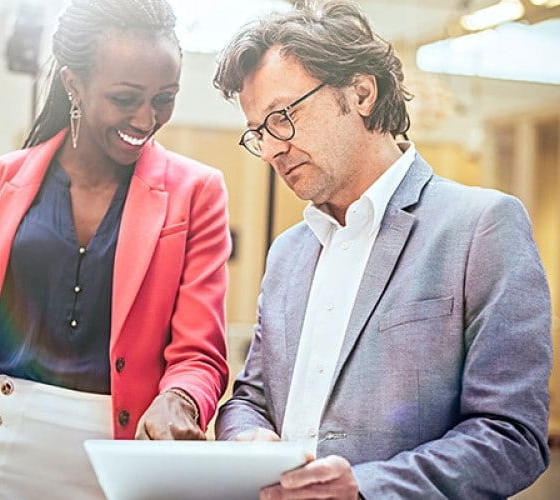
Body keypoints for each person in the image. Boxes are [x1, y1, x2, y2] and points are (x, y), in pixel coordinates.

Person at [212, 1, 552, 498]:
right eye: (257, 132)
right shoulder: (288, 253)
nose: (271, 149)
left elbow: (513, 435)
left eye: (282, 117)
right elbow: (251, 397)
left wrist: (367, 489)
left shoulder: (481, 226)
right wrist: (245, 434)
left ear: (361, 92)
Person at [0, 0, 231, 498]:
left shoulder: (198, 192)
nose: (146, 120)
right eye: (126, 98)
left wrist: (182, 399)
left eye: (164, 98)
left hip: (121, 463)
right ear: (73, 83)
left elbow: (200, 354)